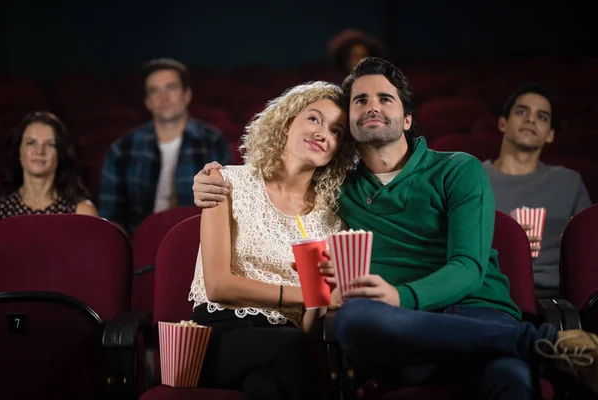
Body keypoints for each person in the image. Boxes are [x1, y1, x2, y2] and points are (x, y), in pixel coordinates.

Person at [192, 58, 598, 399]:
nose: (372, 106)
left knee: (510, 380)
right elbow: (283, 199)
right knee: (354, 320)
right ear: (351, 125)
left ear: (406, 118)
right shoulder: (340, 193)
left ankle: (520, 350)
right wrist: (208, 181)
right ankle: (535, 345)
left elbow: (469, 267)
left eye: (385, 98)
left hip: (476, 312)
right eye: (360, 100)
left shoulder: (457, 169)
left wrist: (400, 295)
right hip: (397, 330)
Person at [188, 81, 357, 400]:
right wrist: (307, 293)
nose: (323, 133)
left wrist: (320, 301)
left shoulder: (331, 219)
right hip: (221, 332)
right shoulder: (224, 182)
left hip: (289, 343)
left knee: (265, 383)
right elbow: (219, 286)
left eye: (337, 131)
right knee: (287, 355)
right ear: (286, 122)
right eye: (314, 119)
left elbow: (311, 322)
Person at [98, 58, 231, 236]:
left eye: (171, 87)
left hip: (197, 239)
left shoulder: (212, 141)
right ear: (147, 102)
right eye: (155, 91)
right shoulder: (123, 148)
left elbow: (225, 205)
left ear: (187, 95)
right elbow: (110, 215)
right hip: (140, 241)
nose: (164, 97)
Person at [483, 83, 591, 298]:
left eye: (542, 117)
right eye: (522, 112)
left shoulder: (569, 182)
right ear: (503, 123)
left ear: (550, 135)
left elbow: (587, 249)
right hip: (490, 289)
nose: (531, 119)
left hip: (555, 295)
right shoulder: (473, 178)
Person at [0, 111, 97, 219]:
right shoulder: (1, 210)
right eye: (31, 143)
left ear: (60, 153)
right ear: (19, 151)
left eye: (50, 144)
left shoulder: (82, 212)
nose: (40, 152)